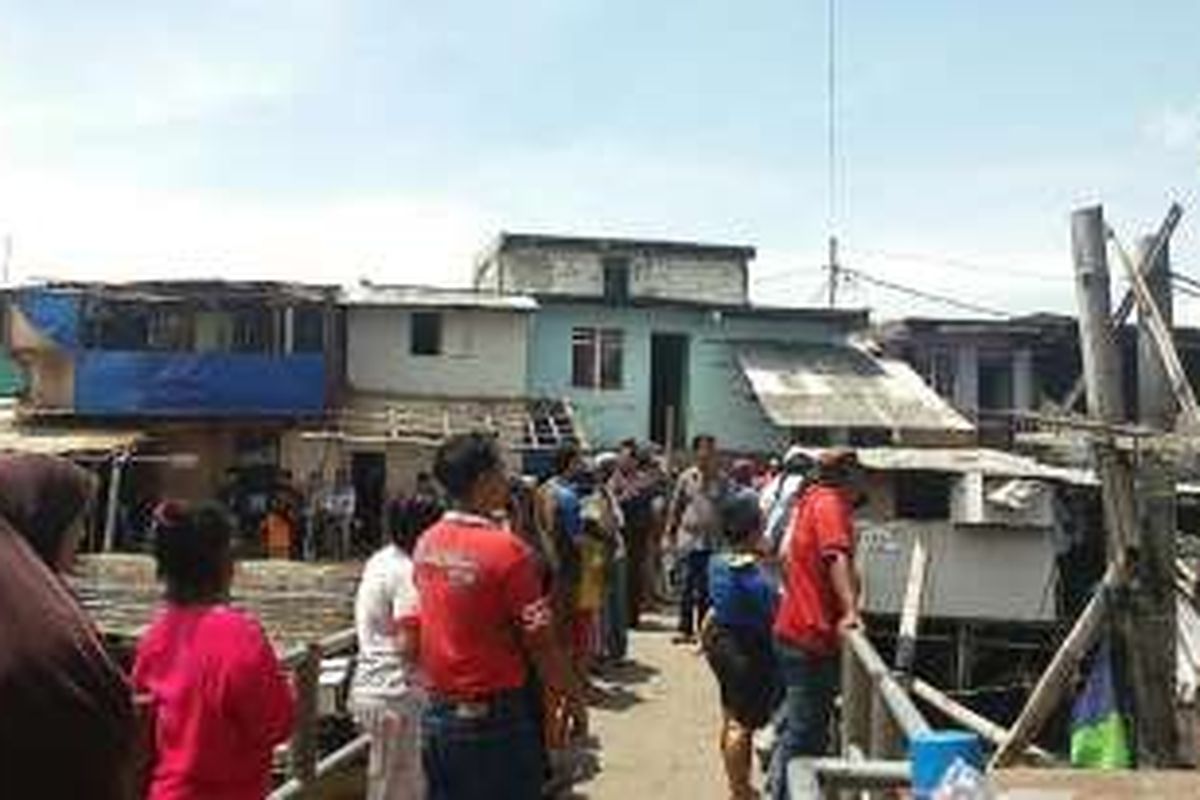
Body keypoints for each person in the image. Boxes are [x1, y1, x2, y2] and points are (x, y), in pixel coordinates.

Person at [413, 432, 586, 800]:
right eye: (500, 470)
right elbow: (540, 643)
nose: (506, 479)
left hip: (438, 713)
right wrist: (573, 695)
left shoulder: (427, 542)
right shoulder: (508, 551)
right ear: (482, 481)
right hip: (496, 718)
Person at [134, 501, 296, 800]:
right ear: (224, 563)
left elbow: (144, 730)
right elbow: (276, 725)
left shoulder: (153, 638)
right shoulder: (242, 635)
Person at [0, 454, 136, 800]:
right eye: (78, 523)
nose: (83, 536)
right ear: (44, 521)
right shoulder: (48, 636)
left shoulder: (35, 608)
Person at [768, 450, 863, 800]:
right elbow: (836, 555)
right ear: (847, 475)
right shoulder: (829, 504)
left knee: (798, 726)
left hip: (794, 628)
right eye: (860, 474)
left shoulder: (808, 500)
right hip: (809, 635)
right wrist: (851, 610)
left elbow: (784, 556)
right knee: (804, 735)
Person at [701, 493, 780, 800]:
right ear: (751, 529)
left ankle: (739, 785)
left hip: (721, 640)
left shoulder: (718, 559)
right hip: (745, 647)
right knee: (741, 724)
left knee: (730, 714)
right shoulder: (747, 570)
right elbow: (772, 606)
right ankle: (740, 791)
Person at [351, 492, 427, 800]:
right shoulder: (409, 571)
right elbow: (409, 643)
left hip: (374, 688)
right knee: (399, 790)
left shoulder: (380, 559)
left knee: (385, 786)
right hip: (397, 693)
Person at [667, 434, 728, 644]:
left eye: (711, 450)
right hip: (689, 540)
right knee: (686, 586)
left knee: (707, 588)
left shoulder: (723, 480)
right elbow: (675, 507)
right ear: (695, 452)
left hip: (713, 542)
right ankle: (684, 629)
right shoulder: (686, 477)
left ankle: (704, 630)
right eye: (703, 450)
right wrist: (669, 534)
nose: (708, 455)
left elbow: (728, 509)